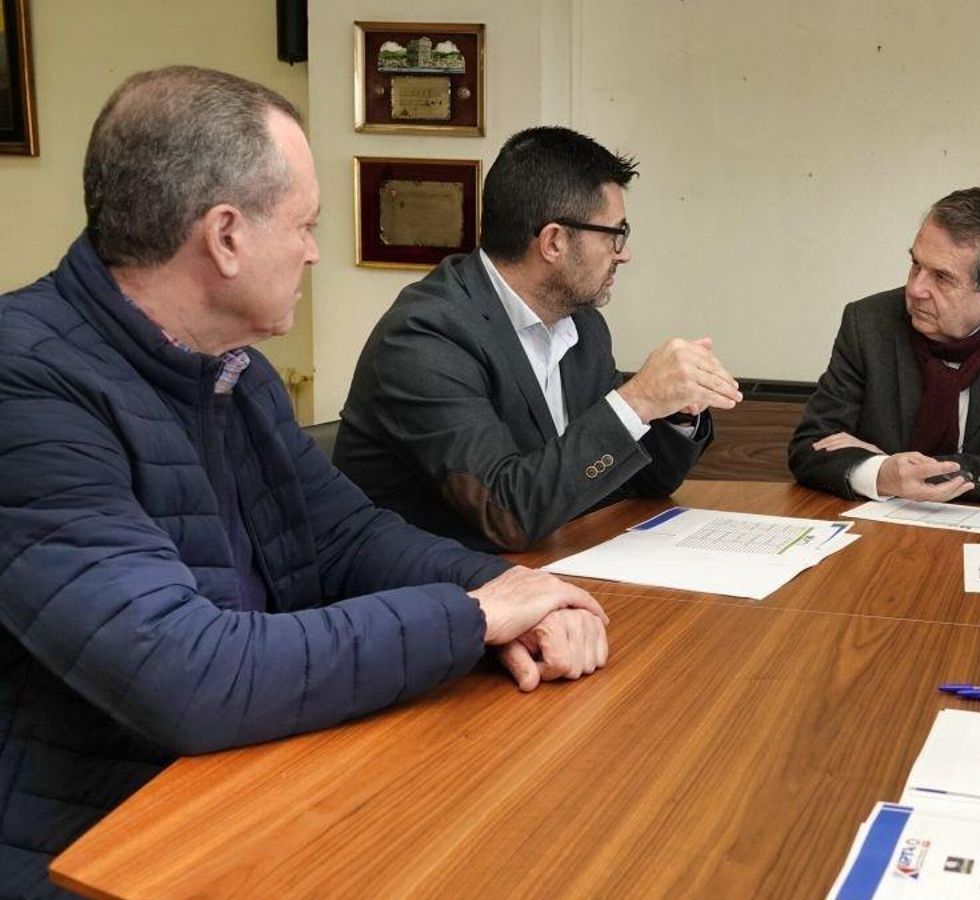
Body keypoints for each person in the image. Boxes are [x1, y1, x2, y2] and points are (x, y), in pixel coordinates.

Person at [0, 68, 608, 897]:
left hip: (249, 778)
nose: (316, 250)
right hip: (96, 841)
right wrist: (469, 618)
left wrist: (513, 586)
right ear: (225, 237)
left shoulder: (230, 367)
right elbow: (185, 673)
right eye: (305, 224)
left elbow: (346, 535)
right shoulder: (24, 383)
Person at [336, 127, 741, 552]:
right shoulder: (425, 338)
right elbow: (506, 512)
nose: (624, 253)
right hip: (432, 595)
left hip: (545, 569)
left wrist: (672, 411)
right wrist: (636, 401)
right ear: (553, 242)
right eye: (614, 234)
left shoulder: (582, 327)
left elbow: (641, 481)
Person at [787, 187, 980, 505]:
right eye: (916, 265)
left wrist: (908, 469)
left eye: (941, 277)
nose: (915, 288)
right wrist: (883, 474)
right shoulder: (869, 324)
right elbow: (810, 446)